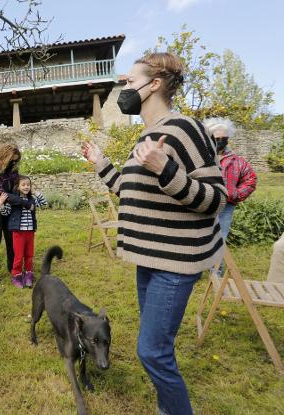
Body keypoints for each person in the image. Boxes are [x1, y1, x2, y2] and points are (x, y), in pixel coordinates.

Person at [82, 52, 227, 415]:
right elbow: (127, 192)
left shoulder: (184, 128)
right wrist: (101, 163)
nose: (124, 89)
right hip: (148, 259)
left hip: (175, 264)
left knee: (151, 352)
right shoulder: (145, 137)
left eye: (130, 82)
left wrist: (167, 170)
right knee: (158, 349)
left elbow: (216, 199)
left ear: (154, 85)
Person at [203, 118, 257, 273]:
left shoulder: (237, 161)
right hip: (202, 202)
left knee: (220, 239)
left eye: (224, 139)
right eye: (217, 138)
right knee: (198, 236)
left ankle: (216, 273)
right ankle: (194, 271)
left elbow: (251, 179)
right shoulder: (201, 156)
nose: (221, 141)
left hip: (225, 206)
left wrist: (235, 194)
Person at [0, 144, 32, 285]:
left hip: (8, 207)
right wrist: (23, 202)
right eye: (12, 161)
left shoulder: (13, 172)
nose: (14, 163)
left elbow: (17, 187)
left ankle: (13, 268)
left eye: (16, 161)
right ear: (4, 158)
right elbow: (1, 193)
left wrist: (28, 193)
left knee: (11, 238)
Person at [0, 176, 47, 288]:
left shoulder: (32, 200)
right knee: (19, 256)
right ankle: (16, 275)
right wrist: (1, 203)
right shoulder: (14, 200)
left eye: (28, 185)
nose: (26, 187)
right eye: (23, 185)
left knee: (29, 255)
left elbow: (44, 204)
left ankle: (29, 274)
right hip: (18, 233)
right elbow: (5, 213)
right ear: (18, 186)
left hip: (30, 232)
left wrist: (35, 192)